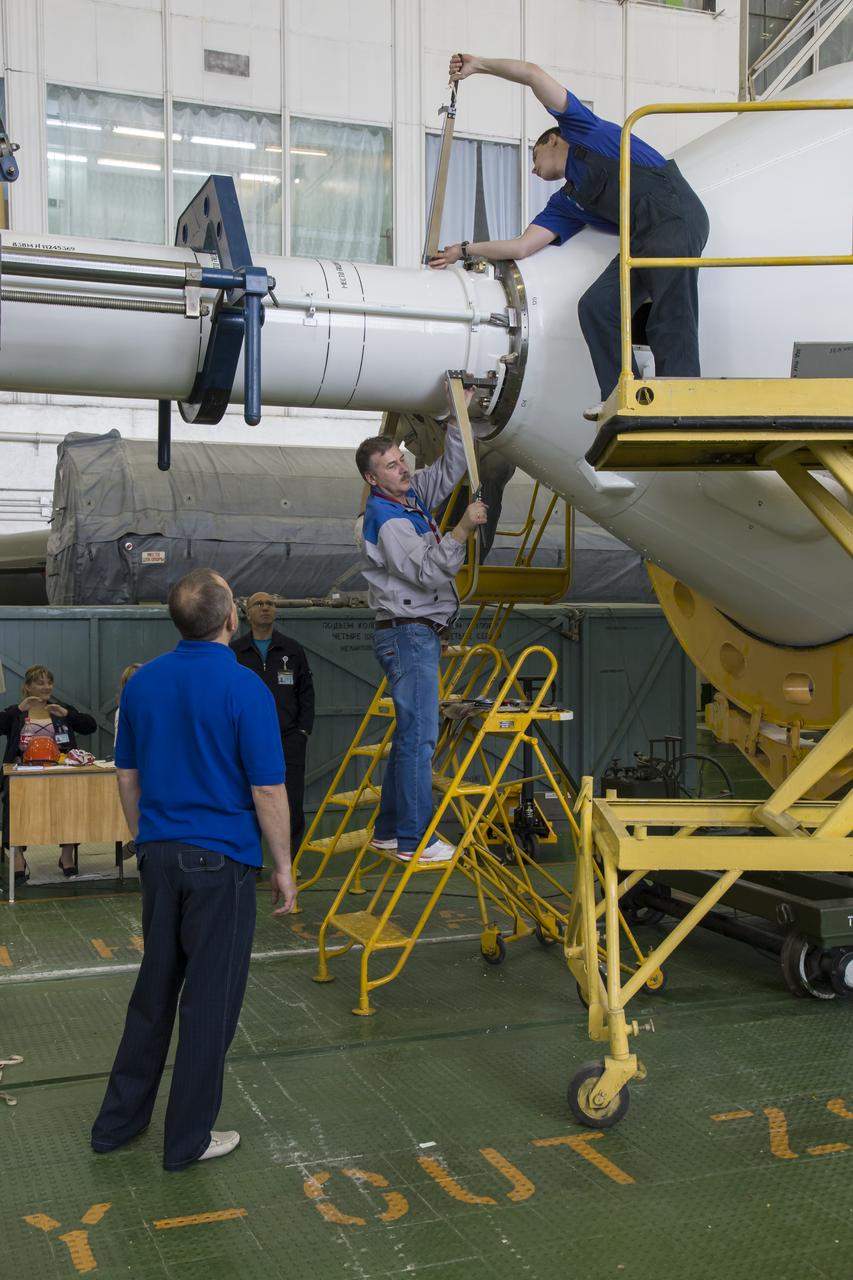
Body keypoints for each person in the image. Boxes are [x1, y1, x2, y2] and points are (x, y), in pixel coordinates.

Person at [91, 568, 296, 1171]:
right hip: (221, 864)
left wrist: (145, 837)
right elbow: (268, 790)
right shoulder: (245, 688)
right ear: (231, 620)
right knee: (208, 1006)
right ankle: (186, 1142)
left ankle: (116, 1126)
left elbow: (127, 775)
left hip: (159, 857)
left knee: (153, 994)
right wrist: (283, 867)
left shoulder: (143, 684)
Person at [429, 53, 710, 411]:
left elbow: (532, 75)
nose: (533, 170)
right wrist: (464, 250)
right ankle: (622, 396)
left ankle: (682, 398)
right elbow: (521, 246)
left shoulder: (584, 131)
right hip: (644, 237)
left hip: (674, 215)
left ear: (553, 141)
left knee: (672, 313)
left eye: (534, 158)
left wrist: (479, 65)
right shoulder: (568, 202)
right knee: (596, 307)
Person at [356, 387, 487, 863]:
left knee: (410, 733)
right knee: (419, 736)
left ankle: (390, 831)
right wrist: (463, 530)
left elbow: (450, 470)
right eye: (391, 465)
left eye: (402, 458)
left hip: (415, 633)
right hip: (408, 634)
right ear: (373, 478)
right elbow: (429, 571)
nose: (403, 467)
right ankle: (416, 839)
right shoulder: (386, 517)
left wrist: (457, 418)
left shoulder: (409, 498)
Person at [231, 594, 315, 857]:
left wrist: (303, 730)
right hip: (247, 739)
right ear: (247, 612)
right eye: (258, 604)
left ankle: (291, 860)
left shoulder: (292, 649)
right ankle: (249, 859)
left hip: (289, 739)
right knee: (247, 800)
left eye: (270, 604)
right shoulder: (235, 652)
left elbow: (306, 692)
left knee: (291, 802)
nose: (265, 608)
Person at [0, 665, 97, 883]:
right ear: (27, 687)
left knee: (72, 803)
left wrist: (68, 714)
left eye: (49, 682)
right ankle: (17, 856)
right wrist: (18, 710)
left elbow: (90, 726)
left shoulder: (60, 709)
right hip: (23, 775)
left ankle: (67, 856)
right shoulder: (17, 712)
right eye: (40, 682)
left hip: (60, 773)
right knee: (13, 803)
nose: (46, 687)